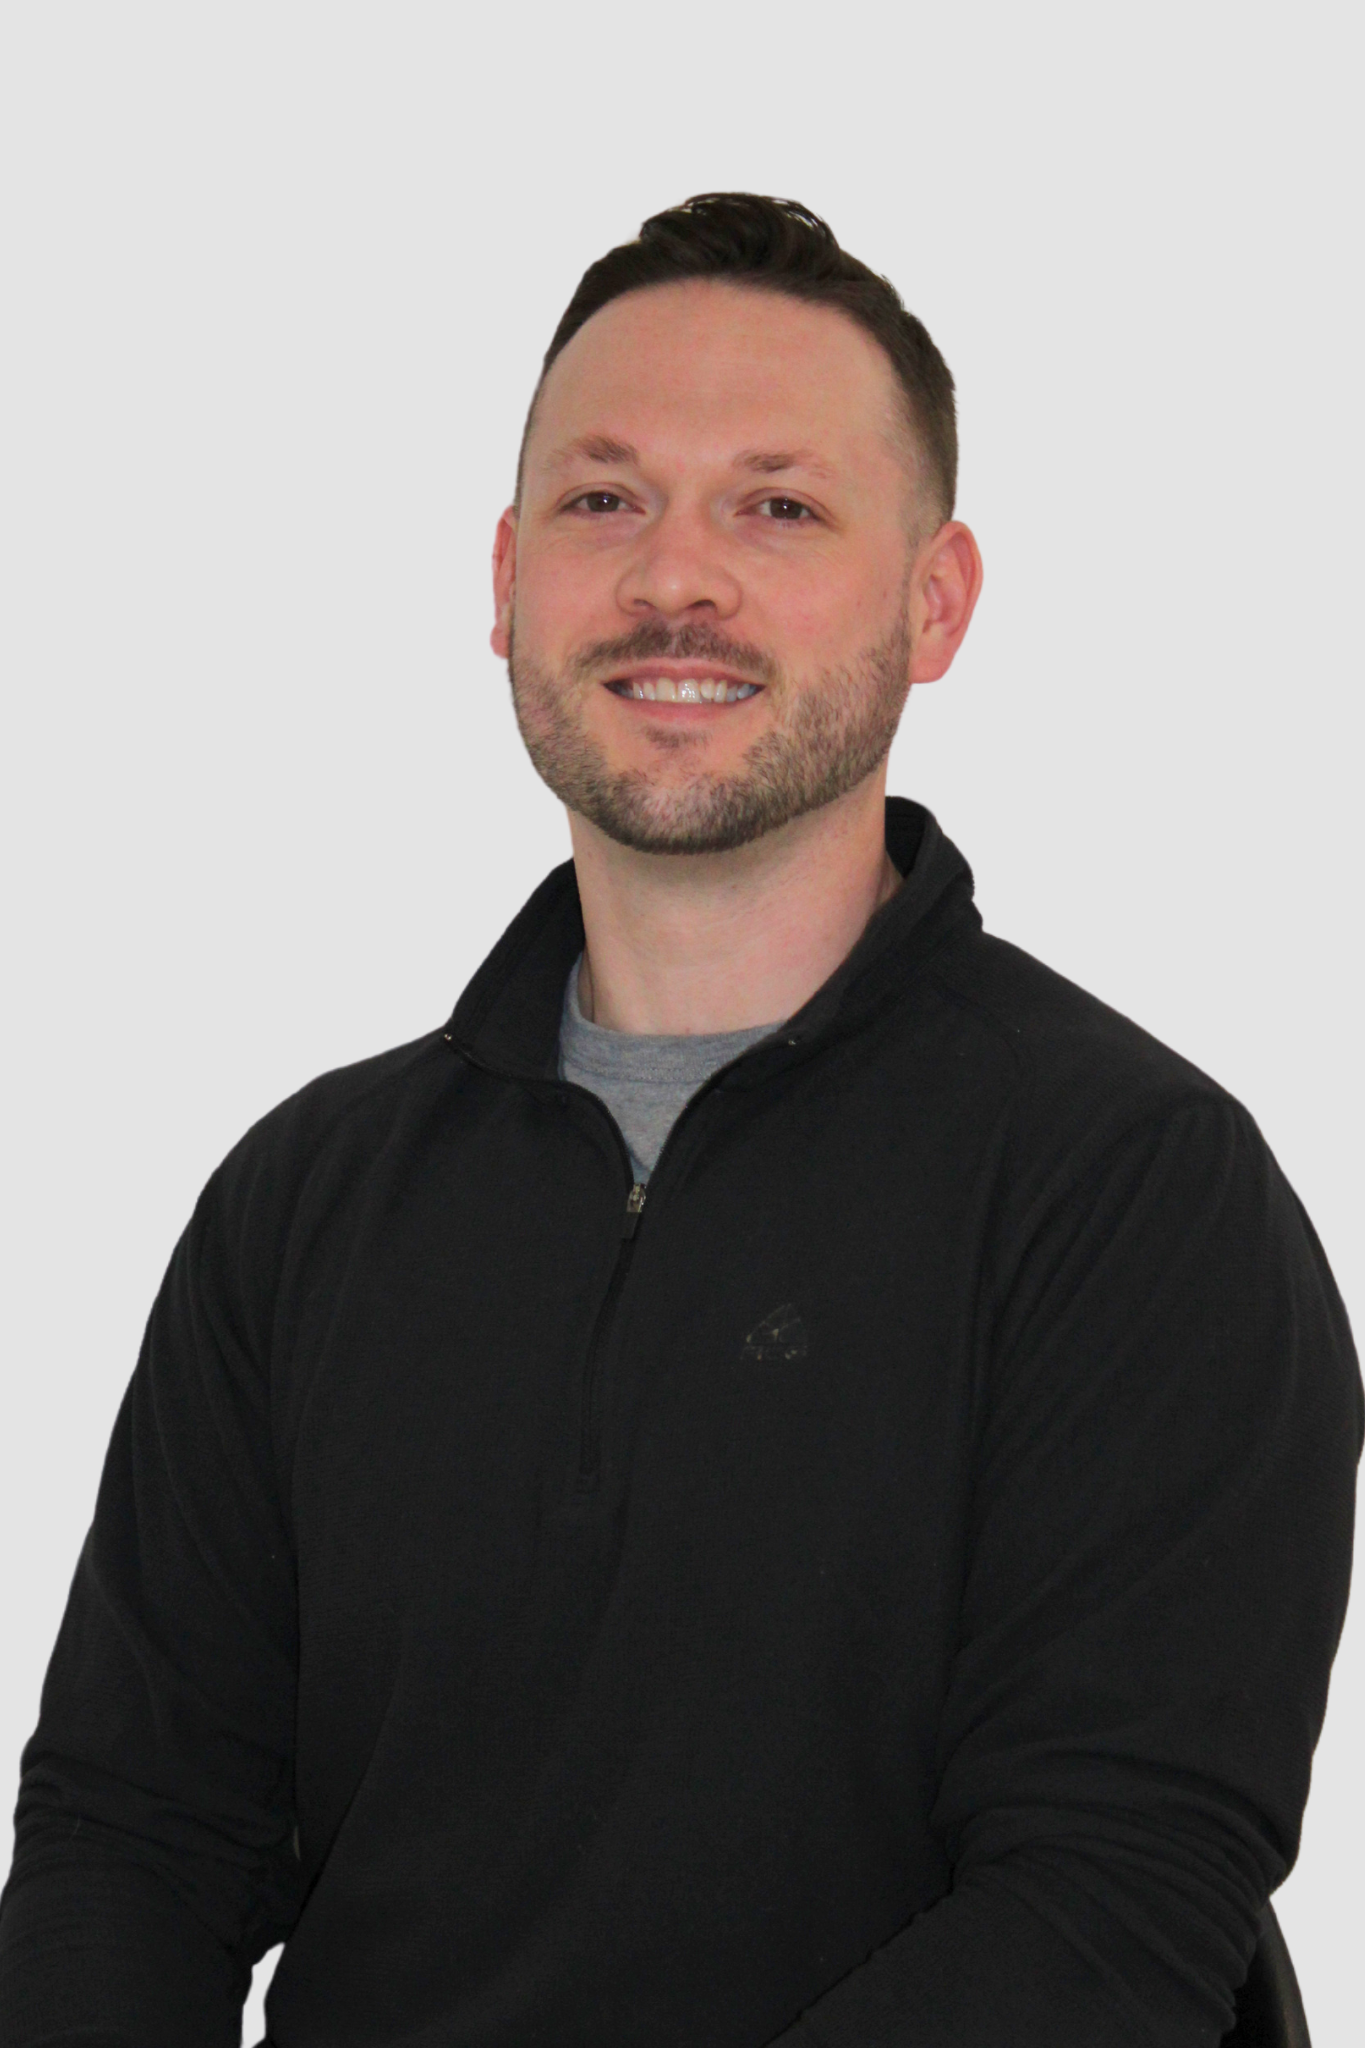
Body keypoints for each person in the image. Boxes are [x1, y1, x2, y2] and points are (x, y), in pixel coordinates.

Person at [0, 192, 1358, 2048]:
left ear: (933, 600)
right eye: (603, 499)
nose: (672, 582)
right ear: (501, 582)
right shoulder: (304, 1206)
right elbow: (129, 1844)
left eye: (778, 507)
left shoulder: (1136, 1194)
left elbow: (1111, 1907)